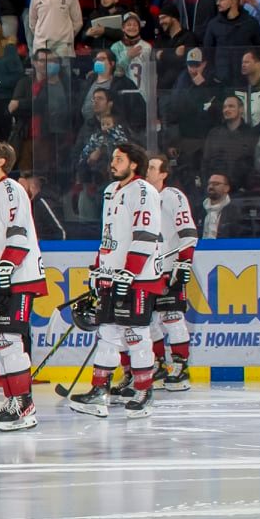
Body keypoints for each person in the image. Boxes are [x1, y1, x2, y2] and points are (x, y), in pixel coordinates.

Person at [70, 142, 164, 419]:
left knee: (136, 334)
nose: (113, 163)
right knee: (108, 333)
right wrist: (98, 268)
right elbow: (108, 236)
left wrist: (129, 271)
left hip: (140, 277)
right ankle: (100, 390)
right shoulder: (111, 191)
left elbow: (146, 234)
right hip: (113, 275)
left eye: (119, 159)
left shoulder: (144, 191)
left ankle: (144, 392)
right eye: (112, 158)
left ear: (134, 164)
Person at [0, 140, 46, 431]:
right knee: (0, 340)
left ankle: (24, 404)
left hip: (19, 276)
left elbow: (19, 233)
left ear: (2, 161)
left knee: (11, 339)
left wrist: (4, 270)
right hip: (1, 278)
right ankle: (13, 397)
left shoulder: (12, 189)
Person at [146, 154, 196, 392]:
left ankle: (180, 366)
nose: (149, 171)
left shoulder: (173, 196)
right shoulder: (140, 196)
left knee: (172, 317)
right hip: (146, 270)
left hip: (169, 267)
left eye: (154, 168)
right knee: (147, 322)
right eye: (147, 167)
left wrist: (184, 263)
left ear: (164, 173)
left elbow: (187, 232)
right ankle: (157, 364)